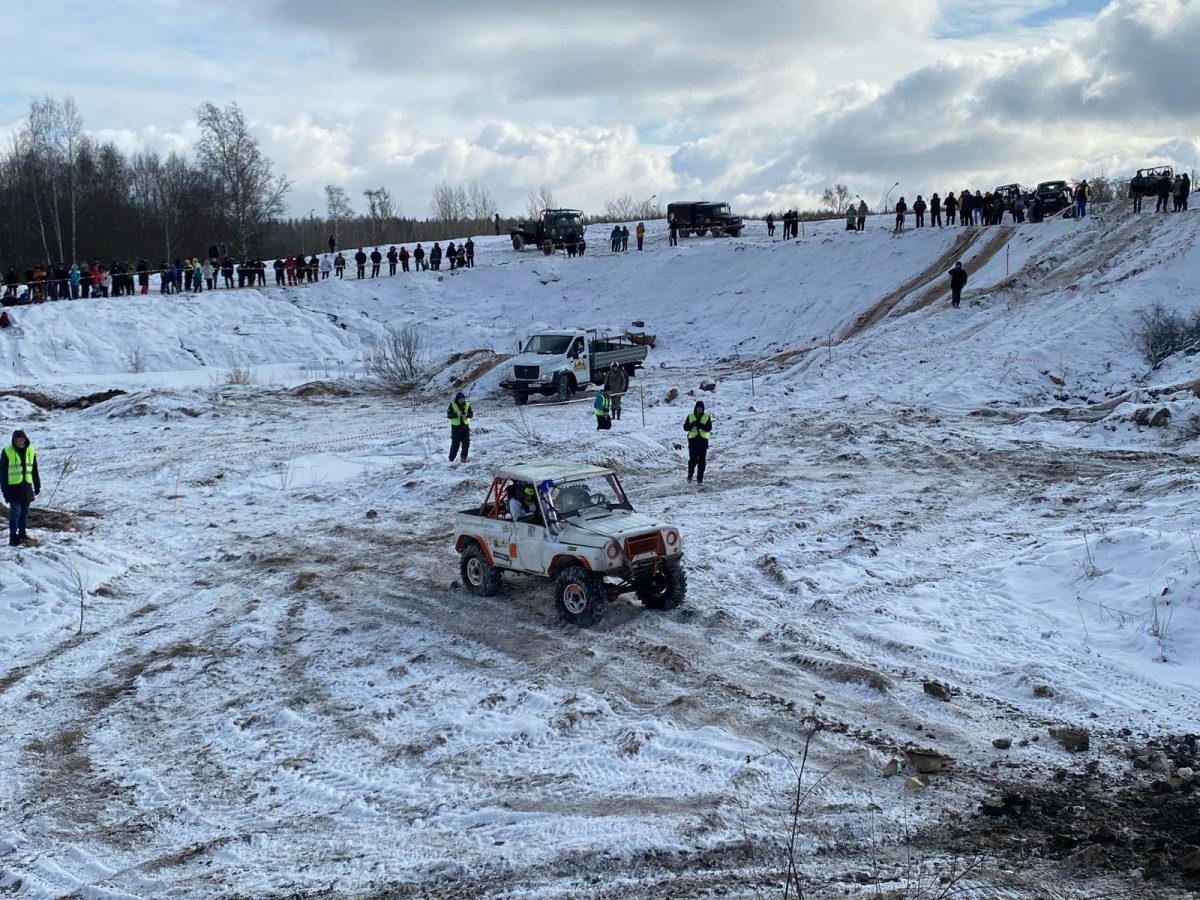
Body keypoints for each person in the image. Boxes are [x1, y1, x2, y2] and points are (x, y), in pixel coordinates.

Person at [2, 429, 40, 547]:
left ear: (25, 439)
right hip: (13, 488)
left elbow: (34, 470)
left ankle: (22, 534)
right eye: (17, 440)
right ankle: (13, 538)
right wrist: (4, 491)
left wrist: (37, 484)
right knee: (15, 513)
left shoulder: (31, 450)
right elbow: (2, 473)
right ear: (13, 441)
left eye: (21, 440)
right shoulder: (7, 451)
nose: (19, 442)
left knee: (24, 513)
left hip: (26, 487)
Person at [684, 401, 711, 485]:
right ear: (695, 408)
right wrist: (692, 424)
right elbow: (685, 427)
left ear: (703, 409)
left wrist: (700, 425)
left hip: (703, 442)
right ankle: (690, 476)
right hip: (693, 442)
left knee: (702, 462)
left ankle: (700, 479)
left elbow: (709, 428)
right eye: (698, 408)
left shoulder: (707, 416)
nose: (699, 410)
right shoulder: (690, 416)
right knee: (692, 461)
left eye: (701, 408)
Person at [447, 391, 471, 463]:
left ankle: (463, 457)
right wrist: (457, 414)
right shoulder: (452, 405)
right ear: (457, 399)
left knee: (466, 443)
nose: (461, 400)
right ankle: (451, 459)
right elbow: (449, 415)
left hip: (465, 427)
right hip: (456, 428)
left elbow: (471, 414)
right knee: (455, 444)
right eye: (460, 399)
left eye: (463, 399)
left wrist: (466, 414)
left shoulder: (467, 405)